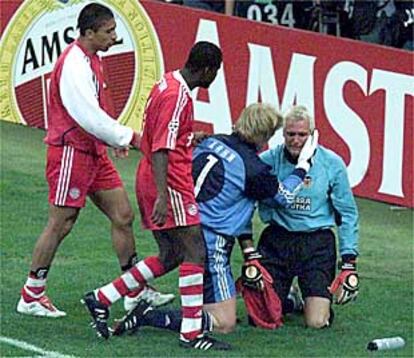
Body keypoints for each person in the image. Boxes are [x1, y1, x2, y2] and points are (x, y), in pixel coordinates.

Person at [16, 3, 173, 319]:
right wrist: (128, 137)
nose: (114, 37)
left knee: (123, 215)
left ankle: (134, 290)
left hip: (92, 152)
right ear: (89, 33)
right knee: (62, 222)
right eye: (109, 31)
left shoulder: (92, 60)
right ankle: (31, 294)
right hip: (71, 153)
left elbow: (99, 110)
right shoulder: (74, 65)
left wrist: (109, 139)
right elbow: (86, 115)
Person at [111, 103, 318, 336]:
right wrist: (303, 167)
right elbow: (284, 197)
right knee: (224, 322)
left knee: (166, 258)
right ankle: (149, 316)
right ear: (263, 135)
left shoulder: (212, 141)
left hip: (184, 224)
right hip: (212, 242)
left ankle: (104, 296)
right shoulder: (253, 168)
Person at [82, 41, 233, 351]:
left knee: (172, 255)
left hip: (153, 176)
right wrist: (164, 195)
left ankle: (102, 298)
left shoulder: (166, 82)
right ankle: (191, 334)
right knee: (195, 252)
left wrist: (191, 137)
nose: (215, 77)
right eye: (215, 71)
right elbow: (162, 147)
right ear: (206, 69)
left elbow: (161, 135)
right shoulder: (177, 96)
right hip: (169, 181)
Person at [257, 105, 360, 328]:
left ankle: (309, 298)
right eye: (290, 134)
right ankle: (290, 299)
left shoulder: (332, 164)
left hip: (317, 244)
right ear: (282, 134)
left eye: (302, 135)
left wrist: (349, 261)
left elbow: (347, 213)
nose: (295, 140)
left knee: (316, 322)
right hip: (277, 240)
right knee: (263, 318)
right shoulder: (267, 161)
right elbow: (251, 199)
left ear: (312, 135)